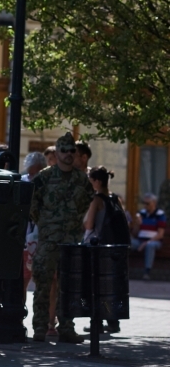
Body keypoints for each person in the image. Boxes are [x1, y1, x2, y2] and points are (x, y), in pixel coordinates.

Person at [29, 132, 93, 343]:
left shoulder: (81, 179)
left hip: (71, 240)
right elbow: (33, 205)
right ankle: (39, 328)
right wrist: (46, 225)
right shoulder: (44, 177)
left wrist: (73, 223)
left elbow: (87, 203)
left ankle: (66, 328)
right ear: (56, 152)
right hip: (49, 240)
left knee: (69, 287)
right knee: (43, 286)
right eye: (63, 150)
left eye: (71, 151)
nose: (67, 154)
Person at [82, 166, 129, 333]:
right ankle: (113, 321)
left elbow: (89, 224)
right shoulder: (116, 199)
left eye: (90, 181)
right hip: (115, 248)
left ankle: (97, 322)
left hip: (99, 248)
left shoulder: (97, 200)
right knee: (112, 284)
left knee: (96, 285)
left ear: (97, 181)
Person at [21, 152, 47, 303]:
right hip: (26, 239)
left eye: (36, 170)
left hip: (42, 238)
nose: (33, 174)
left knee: (43, 282)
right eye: (31, 171)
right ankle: (20, 317)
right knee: (23, 281)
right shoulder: (23, 182)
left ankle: (44, 318)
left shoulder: (48, 184)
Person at [130, 193, 165, 280]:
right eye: (143, 203)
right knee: (127, 243)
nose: (145, 205)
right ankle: (122, 268)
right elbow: (135, 234)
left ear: (154, 203)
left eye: (147, 203)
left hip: (154, 241)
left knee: (150, 246)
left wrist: (146, 243)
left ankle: (147, 272)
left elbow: (160, 234)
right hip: (140, 241)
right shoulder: (141, 213)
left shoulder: (160, 215)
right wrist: (137, 224)